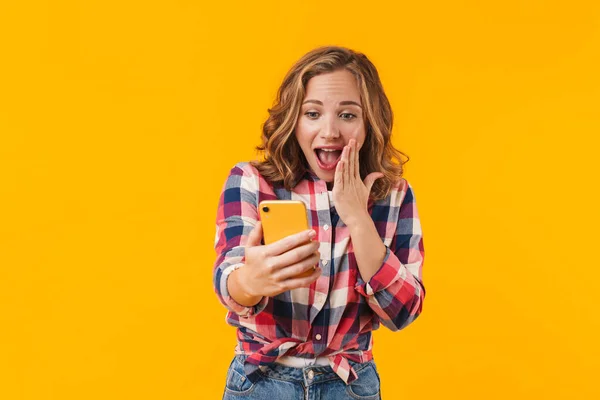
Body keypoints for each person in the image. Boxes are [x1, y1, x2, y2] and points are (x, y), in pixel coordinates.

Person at [213, 45, 426, 399]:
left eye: (347, 115)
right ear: (293, 121)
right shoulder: (251, 181)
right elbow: (227, 279)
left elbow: (402, 312)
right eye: (312, 113)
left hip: (349, 385)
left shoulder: (394, 195)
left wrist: (358, 217)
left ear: (369, 121)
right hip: (260, 383)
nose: (329, 132)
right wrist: (250, 280)